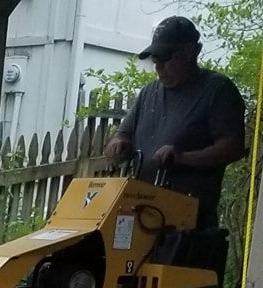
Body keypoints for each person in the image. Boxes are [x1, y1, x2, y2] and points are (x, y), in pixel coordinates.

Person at [104, 16, 246, 230]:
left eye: (165, 57)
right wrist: (118, 144)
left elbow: (233, 148)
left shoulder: (217, 90)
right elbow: (122, 135)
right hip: (141, 218)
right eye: (154, 59)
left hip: (188, 226)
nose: (158, 67)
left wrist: (182, 158)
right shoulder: (148, 94)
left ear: (190, 52)